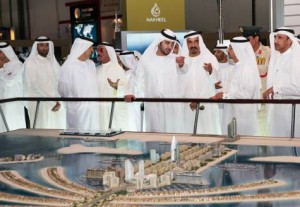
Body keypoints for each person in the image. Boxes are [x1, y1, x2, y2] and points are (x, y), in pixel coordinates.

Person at [124, 29, 185, 133]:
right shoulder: (146, 60)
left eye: (172, 44)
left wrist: (181, 65)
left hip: (171, 107)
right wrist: (129, 92)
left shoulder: (175, 59)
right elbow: (135, 77)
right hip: (153, 106)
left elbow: (184, 72)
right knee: (154, 137)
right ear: (159, 42)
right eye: (167, 43)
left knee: (172, 136)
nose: (170, 47)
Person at [211, 36, 261, 135]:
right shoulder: (236, 67)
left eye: (231, 48)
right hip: (233, 115)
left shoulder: (247, 69)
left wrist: (225, 96)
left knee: (245, 147)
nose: (228, 51)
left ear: (239, 50)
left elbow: (247, 94)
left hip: (243, 119)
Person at [180, 31, 221, 134]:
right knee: (189, 137)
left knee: (208, 135)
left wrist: (211, 70)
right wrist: (190, 101)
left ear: (200, 42)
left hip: (207, 106)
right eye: (190, 42)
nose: (193, 45)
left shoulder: (210, 58)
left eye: (196, 41)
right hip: (187, 106)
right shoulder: (181, 62)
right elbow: (178, 85)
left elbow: (218, 82)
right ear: (186, 44)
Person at [263, 27, 300, 137]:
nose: (275, 41)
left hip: (291, 115)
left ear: (289, 40)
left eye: (280, 38)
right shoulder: (278, 58)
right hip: (277, 114)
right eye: (275, 37)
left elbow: (298, 87)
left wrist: (276, 89)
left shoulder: (295, 59)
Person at [58, 37, 100, 131]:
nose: (92, 50)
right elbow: (63, 89)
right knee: (78, 139)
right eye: (90, 47)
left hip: (93, 110)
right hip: (78, 110)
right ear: (83, 48)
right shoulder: (69, 66)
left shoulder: (91, 64)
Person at [23, 36, 66, 129]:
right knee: (42, 130)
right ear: (36, 47)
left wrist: (58, 101)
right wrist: (51, 102)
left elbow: (58, 82)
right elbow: (33, 85)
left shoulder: (52, 61)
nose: (45, 48)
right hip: (40, 104)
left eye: (47, 45)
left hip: (56, 103)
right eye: (41, 45)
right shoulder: (31, 62)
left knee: (57, 130)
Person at [240, 26, 271, 136]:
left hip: (263, 102)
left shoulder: (268, 53)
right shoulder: (241, 54)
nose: (245, 42)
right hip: (247, 102)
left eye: (248, 39)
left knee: (263, 134)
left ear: (256, 38)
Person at [97, 43, 128, 131]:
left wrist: (116, 87)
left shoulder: (117, 69)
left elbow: (125, 88)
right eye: (97, 50)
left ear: (109, 52)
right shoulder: (97, 70)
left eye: (101, 50)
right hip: (100, 108)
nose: (98, 53)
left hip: (113, 109)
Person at [0, 42, 26, 132]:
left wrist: (1, 70)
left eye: (0, 52)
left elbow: (11, 81)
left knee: (13, 127)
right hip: (2, 101)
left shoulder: (18, 65)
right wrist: (5, 74)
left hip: (13, 103)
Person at [213, 41, 234, 129]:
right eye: (215, 52)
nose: (215, 54)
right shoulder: (213, 68)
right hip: (215, 104)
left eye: (218, 52)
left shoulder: (233, 68)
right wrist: (213, 86)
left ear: (225, 54)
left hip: (228, 104)